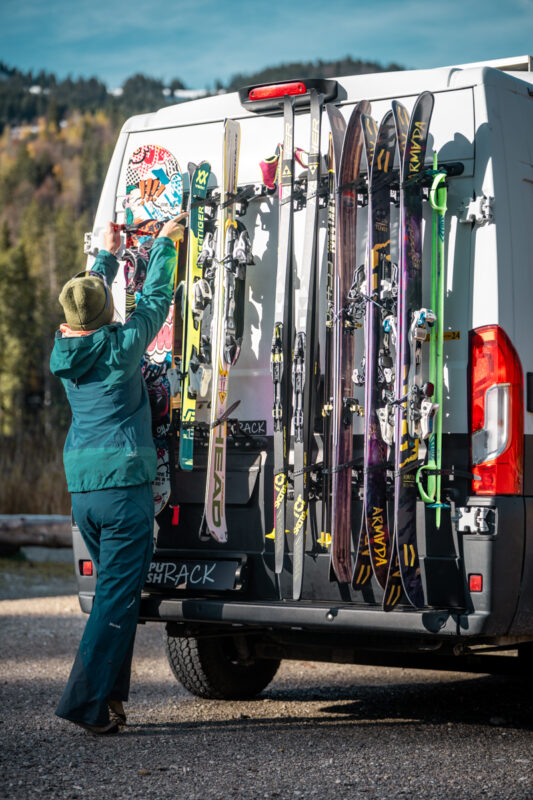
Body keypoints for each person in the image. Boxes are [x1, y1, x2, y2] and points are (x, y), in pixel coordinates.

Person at [51, 214, 187, 734]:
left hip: (83, 490)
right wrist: (165, 247)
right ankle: (85, 703)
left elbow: (87, 301)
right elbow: (155, 302)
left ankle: (110, 702)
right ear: (107, 313)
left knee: (118, 597)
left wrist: (106, 257)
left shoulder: (65, 353)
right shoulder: (123, 347)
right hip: (124, 489)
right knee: (115, 597)